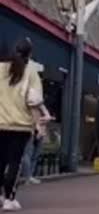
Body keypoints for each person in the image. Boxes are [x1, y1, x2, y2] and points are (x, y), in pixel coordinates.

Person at [0, 38, 52, 211]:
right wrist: (40, 126)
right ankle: (9, 198)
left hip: (0, 124)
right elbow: (33, 101)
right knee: (15, 162)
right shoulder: (31, 73)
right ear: (30, 54)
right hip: (20, 126)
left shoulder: (1, 69)